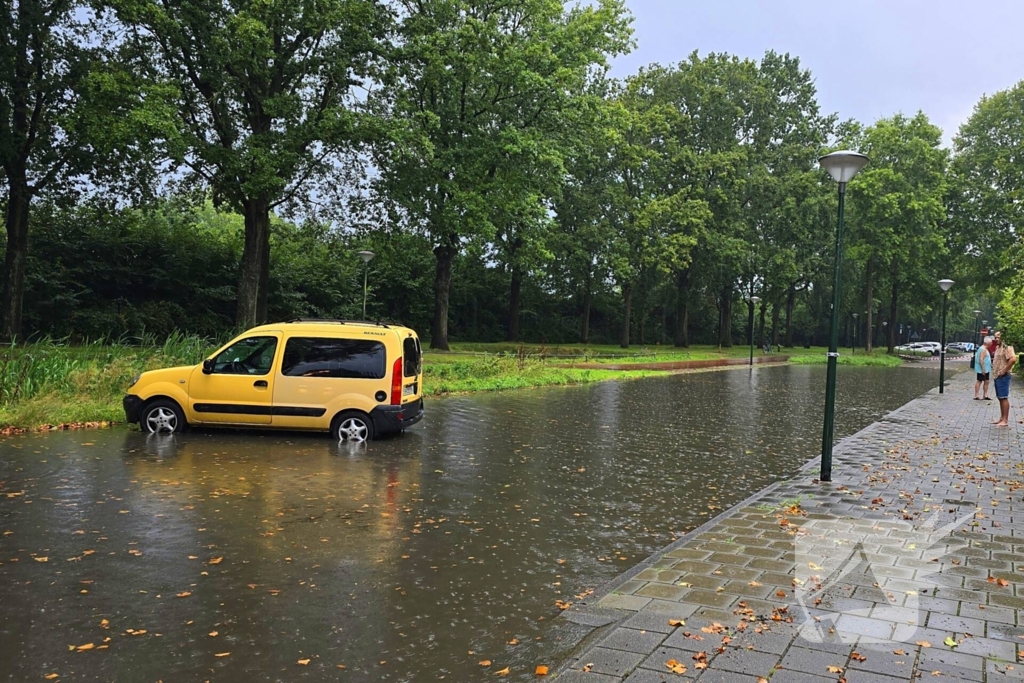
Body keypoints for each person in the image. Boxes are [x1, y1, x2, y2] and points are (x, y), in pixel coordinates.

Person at [991, 330, 1017, 427]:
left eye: (998, 337)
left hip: (1003, 376)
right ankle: (1002, 418)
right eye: (995, 337)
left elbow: (1013, 359)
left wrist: (1004, 370)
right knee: (1000, 397)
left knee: (1003, 397)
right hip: (997, 376)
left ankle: (1005, 420)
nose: (996, 339)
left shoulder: (1007, 347)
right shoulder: (998, 347)